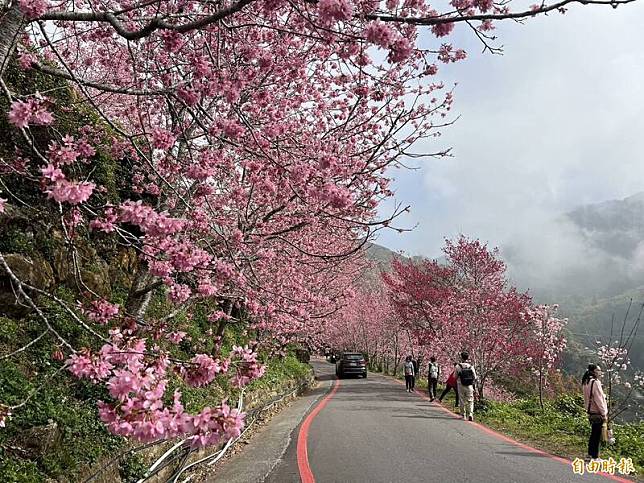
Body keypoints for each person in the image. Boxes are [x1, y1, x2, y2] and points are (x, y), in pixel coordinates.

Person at [582, 363, 608, 462]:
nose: (600, 372)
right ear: (593, 371)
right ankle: (595, 457)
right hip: (597, 412)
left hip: (590, 412)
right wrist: (604, 413)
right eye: (598, 370)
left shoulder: (586, 381)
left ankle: (589, 455)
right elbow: (599, 399)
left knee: (593, 434)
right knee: (597, 436)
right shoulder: (595, 382)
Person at [456, 351, 477, 421]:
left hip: (460, 385)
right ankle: (470, 414)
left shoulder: (458, 366)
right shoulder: (471, 366)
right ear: (468, 358)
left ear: (461, 357)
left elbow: (454, 376)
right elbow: (475, 377)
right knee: (470, 400)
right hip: (469, 385)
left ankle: (463, 415)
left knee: (462, 400)